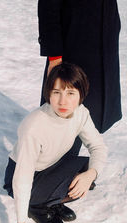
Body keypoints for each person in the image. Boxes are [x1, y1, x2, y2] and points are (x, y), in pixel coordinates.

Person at [3, 63, 107, 223]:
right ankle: (36, 207)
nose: (63, 101)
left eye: (70, 93)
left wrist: (90, 174)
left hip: (50, 166)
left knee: (88, 170)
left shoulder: (81, 113)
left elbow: (98, 146)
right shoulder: (34, 126)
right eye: (57, 92)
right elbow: (23, 176)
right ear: (48, 94)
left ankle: (51, 200)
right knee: (78, 179)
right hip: (22, 176)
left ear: (81, 95)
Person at [38, 0, 122, 154]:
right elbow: (48, 5)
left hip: (103, 40)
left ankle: (68, 169)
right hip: (74, 42)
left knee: (92, 114)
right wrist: (54, 56)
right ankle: (49, 173)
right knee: (61, 119)